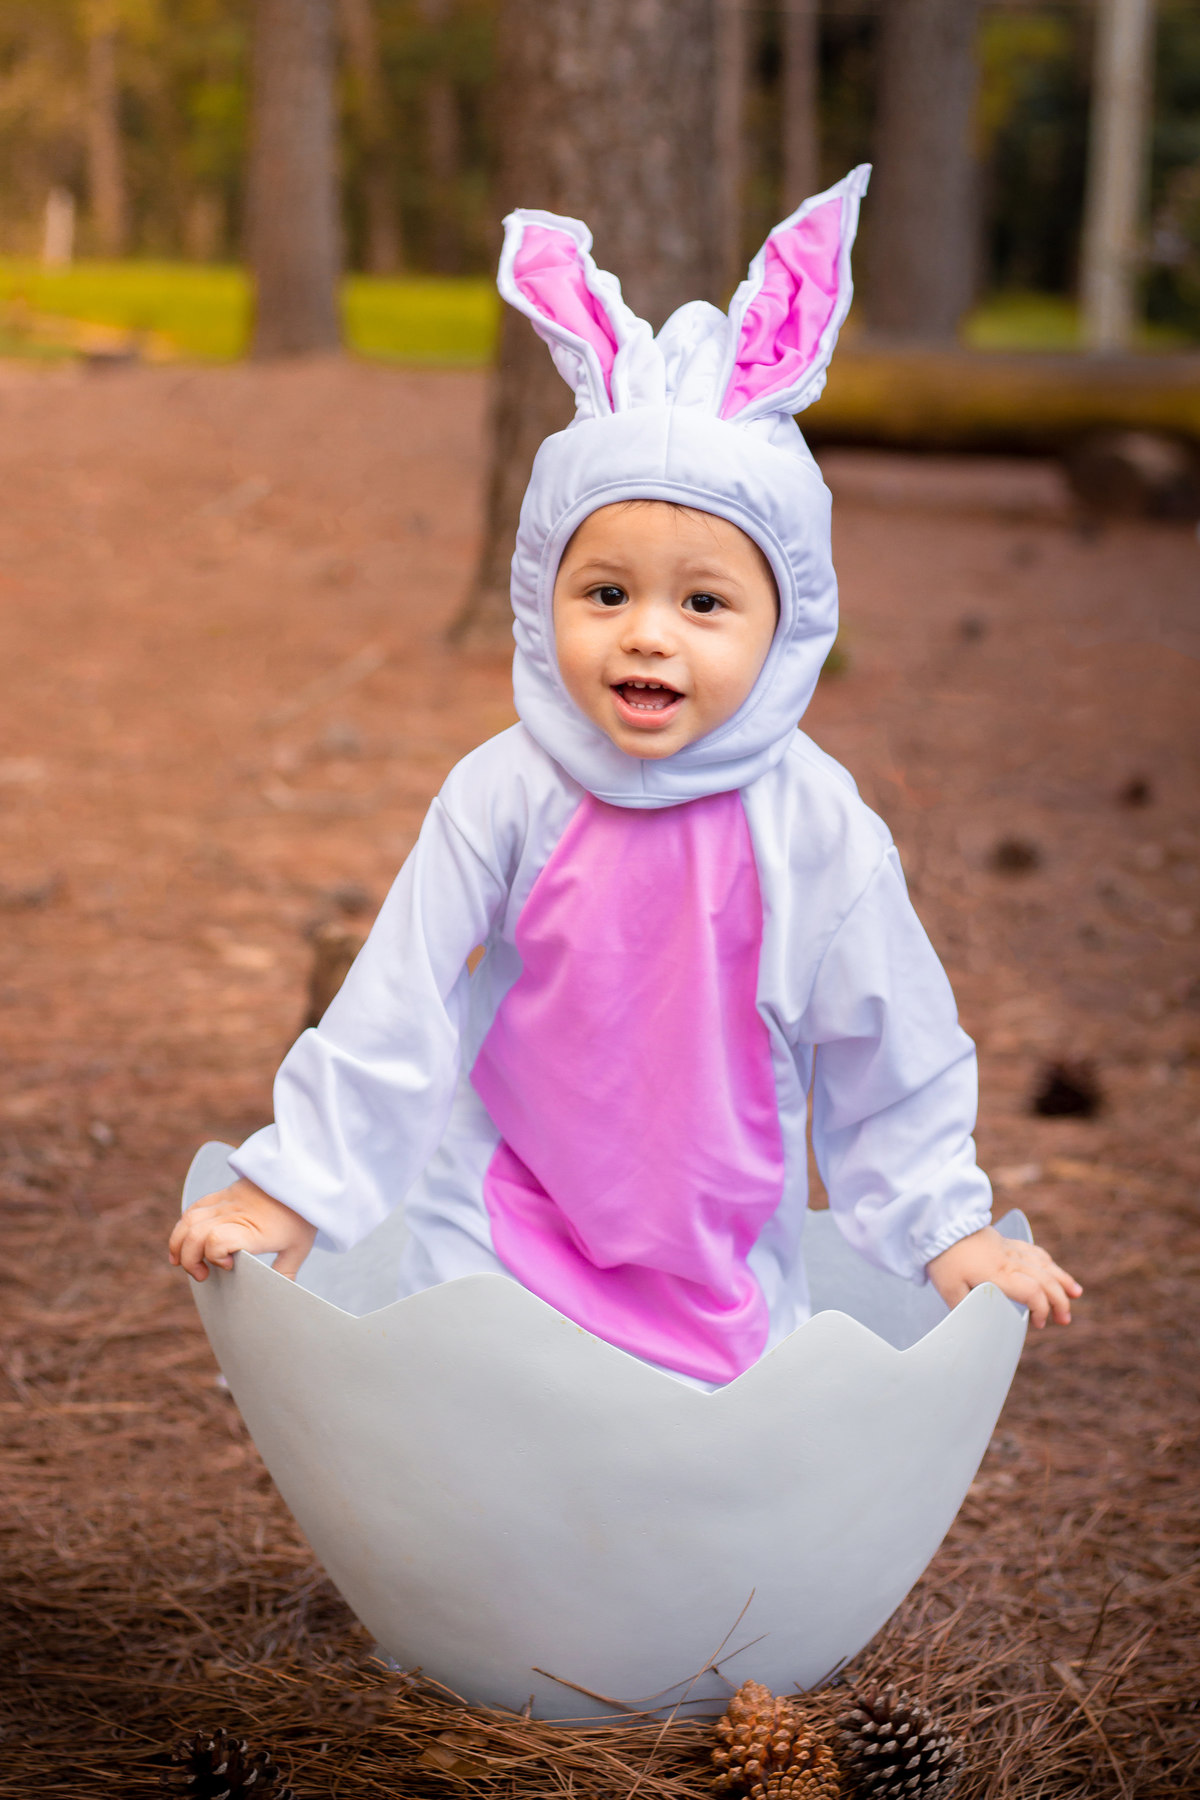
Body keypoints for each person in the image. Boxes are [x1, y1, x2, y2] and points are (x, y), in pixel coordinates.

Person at [169, 168, 1080, 1385]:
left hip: (720, 1270)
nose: (648, 634)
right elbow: (399, 1001)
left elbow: (889, 1040)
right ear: (543, 593)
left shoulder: (815, 826)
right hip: (496, 1237)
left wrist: (943, 1227)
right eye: (606, 593)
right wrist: (291, 1190)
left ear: (788, 621)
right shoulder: (505, 793)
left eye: (704, 603)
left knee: (689, 1481)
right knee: (488, 1442)